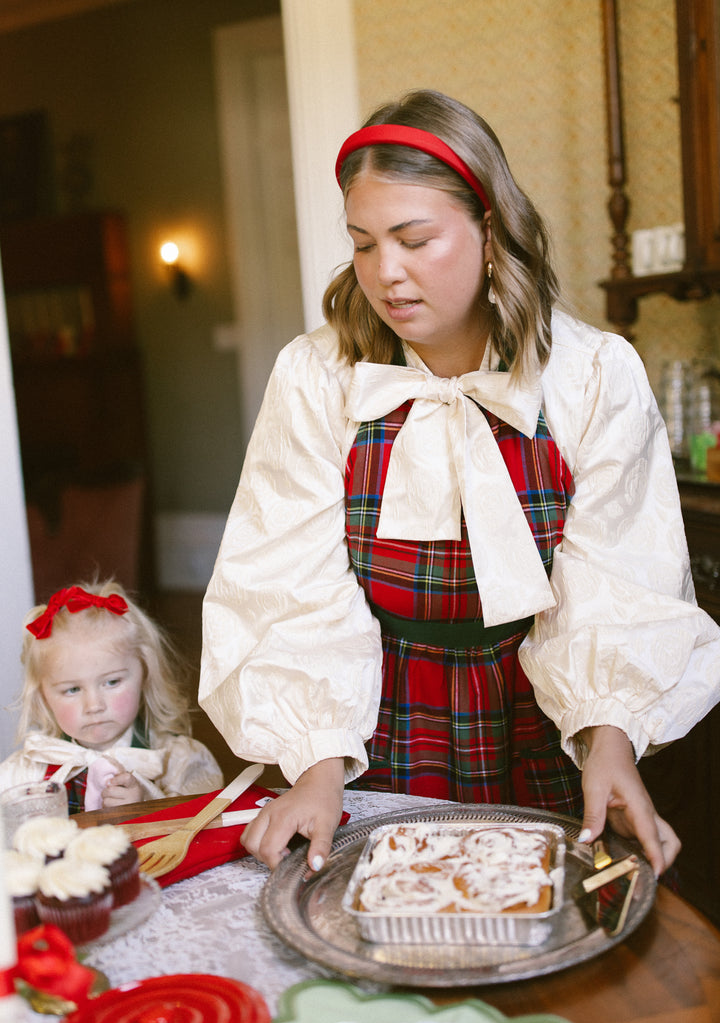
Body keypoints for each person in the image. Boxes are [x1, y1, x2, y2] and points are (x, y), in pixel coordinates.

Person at [199, 89, 720, 878]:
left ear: (488, 230)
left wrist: (609, 736)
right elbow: (288, 583)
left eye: (415, 239)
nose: (386, 273)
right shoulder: (318, 376)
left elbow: (620, 581)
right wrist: (315, 761)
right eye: (364, 243)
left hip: (545, 717)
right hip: (373, 722)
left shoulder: (591, 375)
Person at [1, 581, 224, 811]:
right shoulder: (23, 776)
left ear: (145, 675)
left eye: (112, 682)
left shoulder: (179, 763)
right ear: (43, 696)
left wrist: (148, 804)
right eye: (73, 689)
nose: (94, 706)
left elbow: (203, 826)